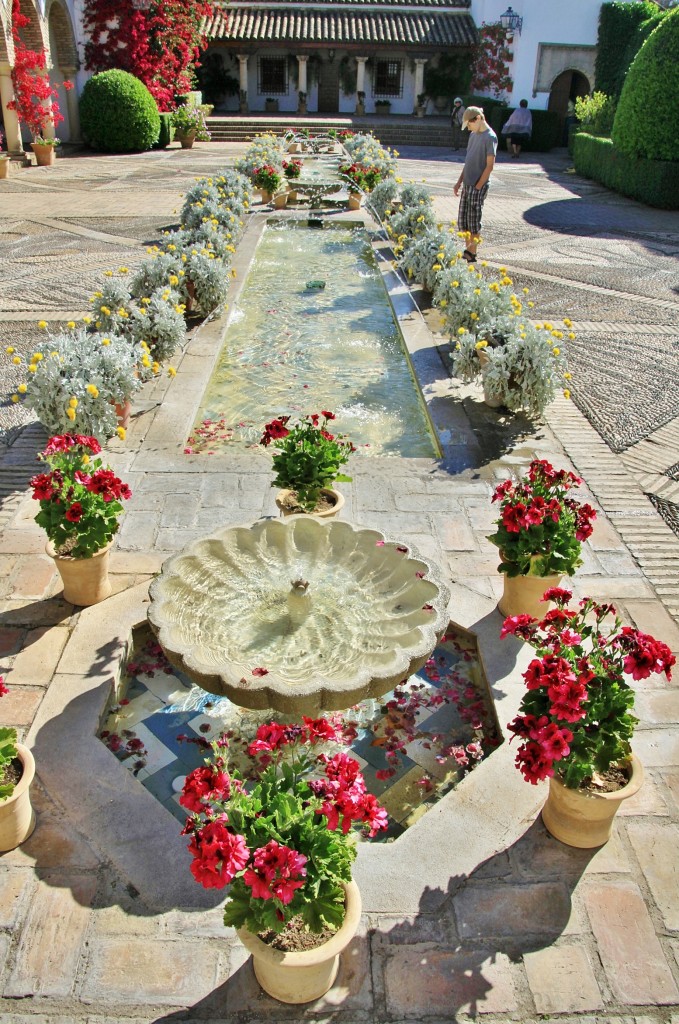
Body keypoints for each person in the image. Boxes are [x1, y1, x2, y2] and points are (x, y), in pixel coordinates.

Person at [452, 106, 497, 263]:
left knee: (474, 221)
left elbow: (489, 165)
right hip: (467, 184)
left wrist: (478, 186)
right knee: (463, 220)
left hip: (478, 185)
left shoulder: (490, 137)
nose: (468, 127)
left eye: (469, 124)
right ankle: (467, 250)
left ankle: (472, 253)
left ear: (477, 119)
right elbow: (468, 161)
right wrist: (459, 182)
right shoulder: (473, 135)